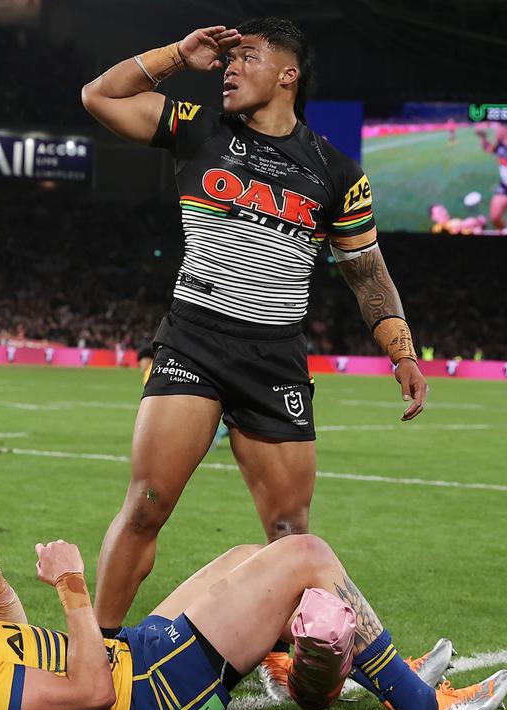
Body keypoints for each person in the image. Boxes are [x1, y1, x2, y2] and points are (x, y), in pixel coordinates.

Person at [78, 17, 429, 651]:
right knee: (147, 503)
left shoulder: (336, 171)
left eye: (247, 57)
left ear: (288, 74)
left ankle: (287, 656)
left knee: (291, 534)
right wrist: (177, 55)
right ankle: (97, 653)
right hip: (194, 340)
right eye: (228, 58)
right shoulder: (200, 127)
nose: (229, 68)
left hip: (275, 361)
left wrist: (401, 352)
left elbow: (368, 273)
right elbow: (100, 96)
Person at [0, 537, 507, 710]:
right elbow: (83, 694)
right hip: (143, 691)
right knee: (307, 558)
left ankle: (306, 679)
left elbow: (19, 647)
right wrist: (74, 586)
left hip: (132, 658)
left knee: (246, 559)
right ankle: (423, 707)